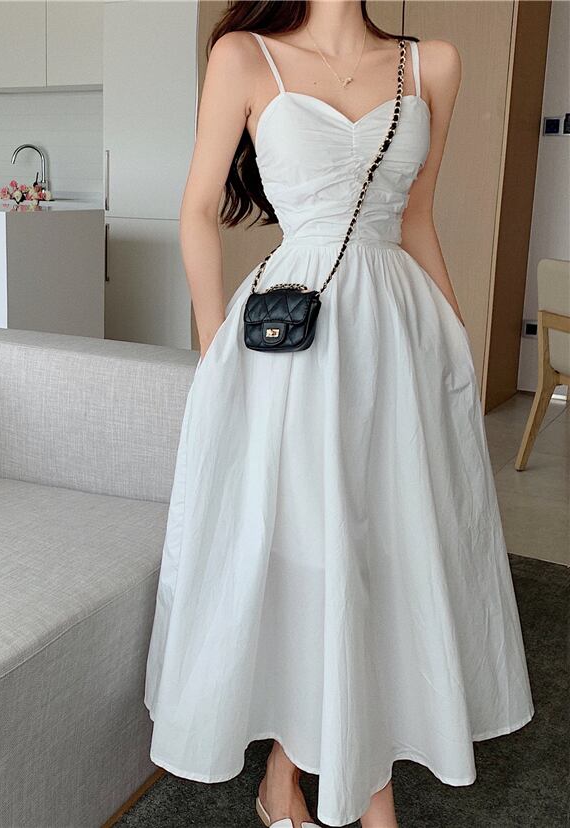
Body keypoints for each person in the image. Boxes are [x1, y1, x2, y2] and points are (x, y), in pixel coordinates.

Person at [142, 2, 536, 827]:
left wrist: (454, 340)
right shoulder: (243, 56)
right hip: (291, 343)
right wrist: (216, 359)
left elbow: (416, 216)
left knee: (384, 546)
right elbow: (197, 211)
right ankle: (357, 794)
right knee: (309, 549)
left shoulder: (434, 63)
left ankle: (293, 773)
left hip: (397, 334)